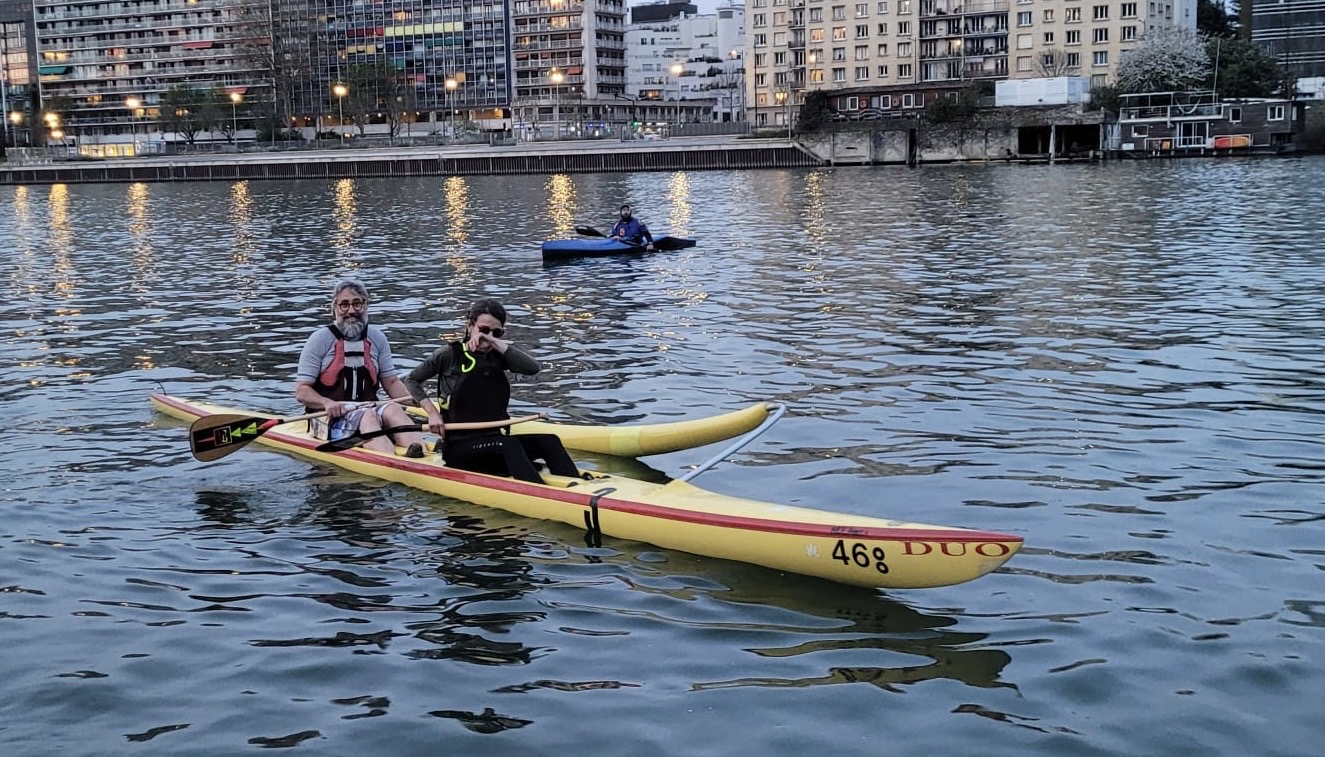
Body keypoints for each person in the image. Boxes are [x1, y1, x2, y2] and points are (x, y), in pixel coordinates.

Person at [404, 298, 580, 484]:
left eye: (496, 333)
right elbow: (412, 379)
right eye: (484, 330)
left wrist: (494, 342)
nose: (487, 338)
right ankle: (541, 494)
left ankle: (576, 486)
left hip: (493, 442)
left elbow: (532, 368)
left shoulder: (499, 356)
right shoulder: (449, 355)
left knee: (549, 441)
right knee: (508, 445)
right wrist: (432, 413)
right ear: (470, 325)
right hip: (460, 448)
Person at [295, 278, 428, 458]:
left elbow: (391, 382)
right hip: (328, 417)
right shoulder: (319, 340)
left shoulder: (377, 338)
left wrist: (419, 401)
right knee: (368, 417)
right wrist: (326, 403)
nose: (351, 311)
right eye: (344, 305)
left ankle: (421, 453)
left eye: (357, 304)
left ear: (366, 305)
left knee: (394, 409)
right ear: (334, 308)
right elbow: (302, 391)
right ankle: (394, 463)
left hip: (368, 407)